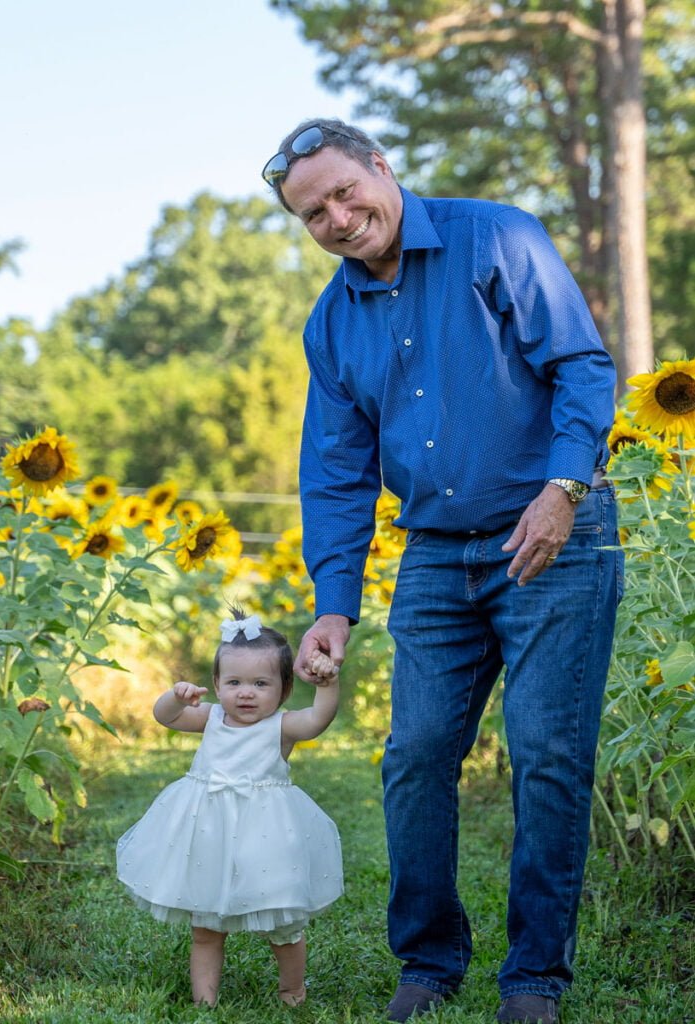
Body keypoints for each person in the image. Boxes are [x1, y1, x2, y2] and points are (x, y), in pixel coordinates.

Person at [261, 119, 623, 1024]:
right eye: (314, 214)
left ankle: (534, 977)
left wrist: (563, 487)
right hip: (433, 556)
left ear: (381, 168)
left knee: (546, 756)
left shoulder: (493, 236)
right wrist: (333, 605)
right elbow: (336, 471)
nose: (339, 219)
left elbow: (580, 365)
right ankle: (427, 961)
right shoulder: (330, 324)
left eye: (346, 192)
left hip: (554, 533)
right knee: (414, 757)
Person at [116, 607, 343, 1008]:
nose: (246, 692)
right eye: (234, 682)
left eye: (260, 683)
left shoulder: (283, 725)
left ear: (284, 689)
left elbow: (318, 720)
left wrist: (327, 683)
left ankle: (292, 988)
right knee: (205, 925)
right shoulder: (212, 717)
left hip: (267, 838)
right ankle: (205, 1001)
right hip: (209, 836)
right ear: (217, 684)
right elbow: (165, 718)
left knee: (282, 922)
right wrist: (174, 697)